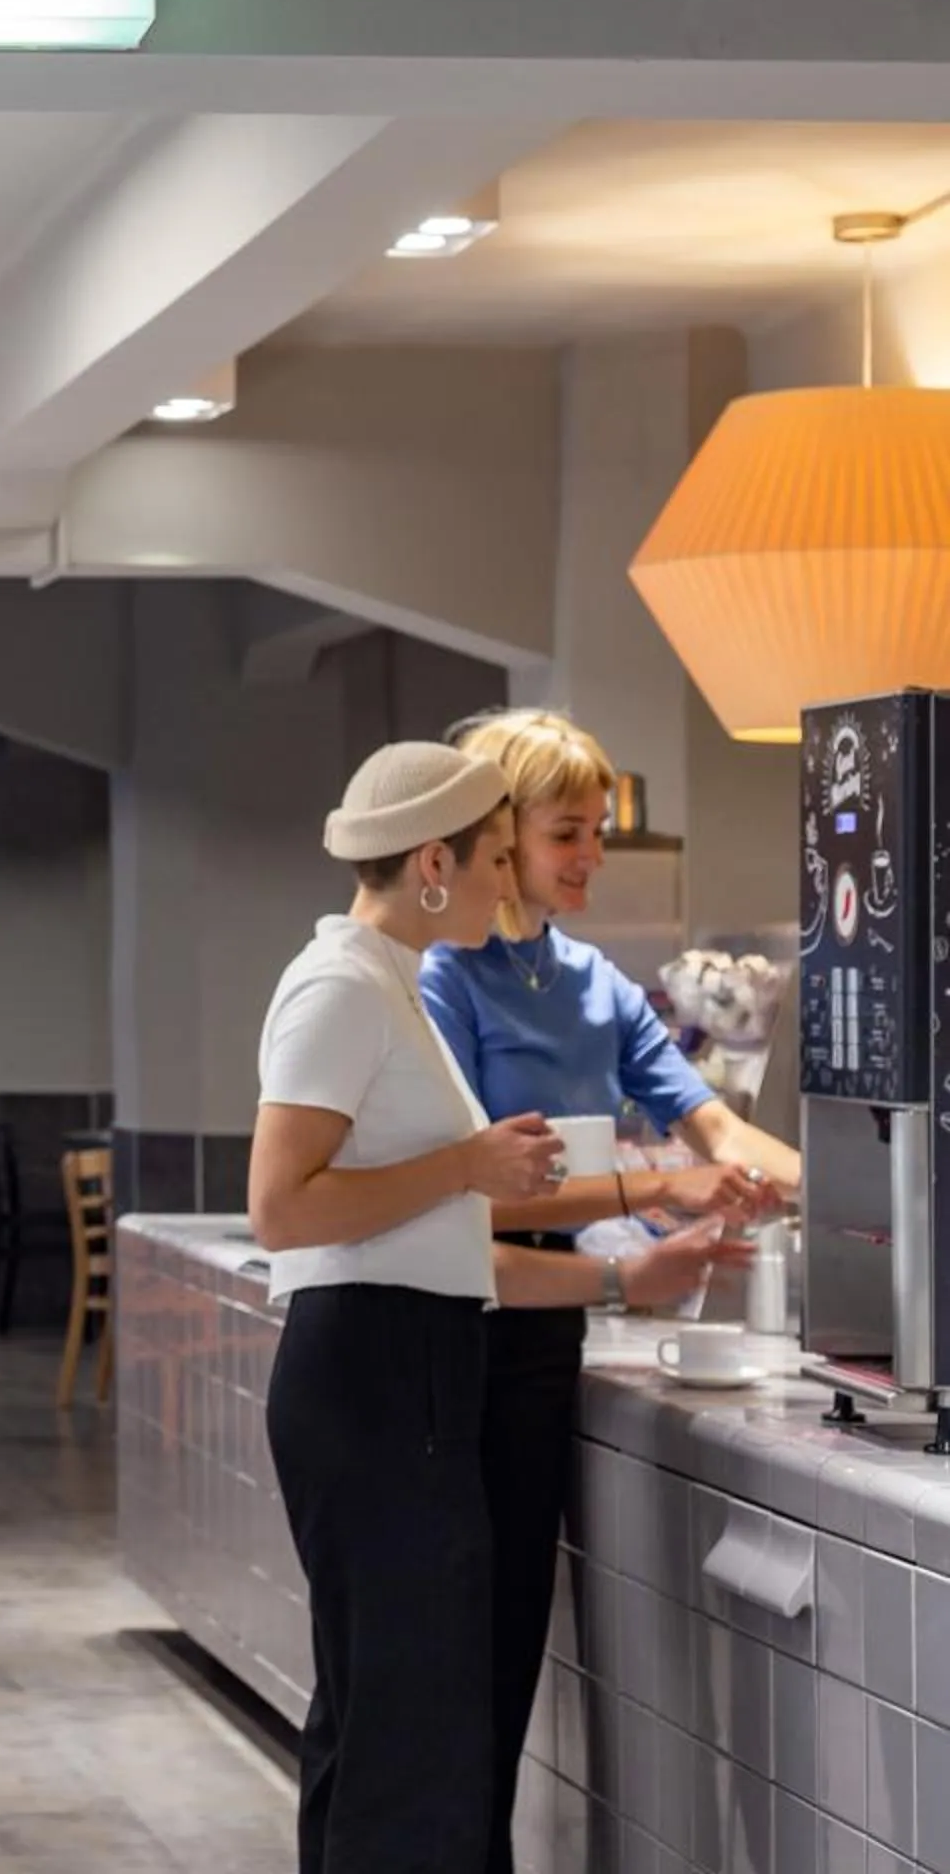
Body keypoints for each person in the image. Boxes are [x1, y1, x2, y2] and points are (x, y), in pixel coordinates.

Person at [250, 743, 743, 1874]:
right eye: (494, 860)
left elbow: (441, 1231)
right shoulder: (343, 985)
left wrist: (589, 1250)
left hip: (412, 1364)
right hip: (375, 1372)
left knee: (398, 1723)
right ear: (435, 863)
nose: (507, 884)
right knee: (407, 1738)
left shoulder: (389, 983)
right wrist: (469, 1166)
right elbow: (280, 1207)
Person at [419, 707, 798, 1871]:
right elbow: (458, 1198)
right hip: (450, 1337)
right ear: (500, 833)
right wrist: (657, 1193)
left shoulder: (594, 981)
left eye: (598, 832)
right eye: (566, 832)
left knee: (505, 1654)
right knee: (437, 1671)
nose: (590, 855)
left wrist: (828, 1185)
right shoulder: (443, 978)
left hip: (544, 1338)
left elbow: (715, 1124)